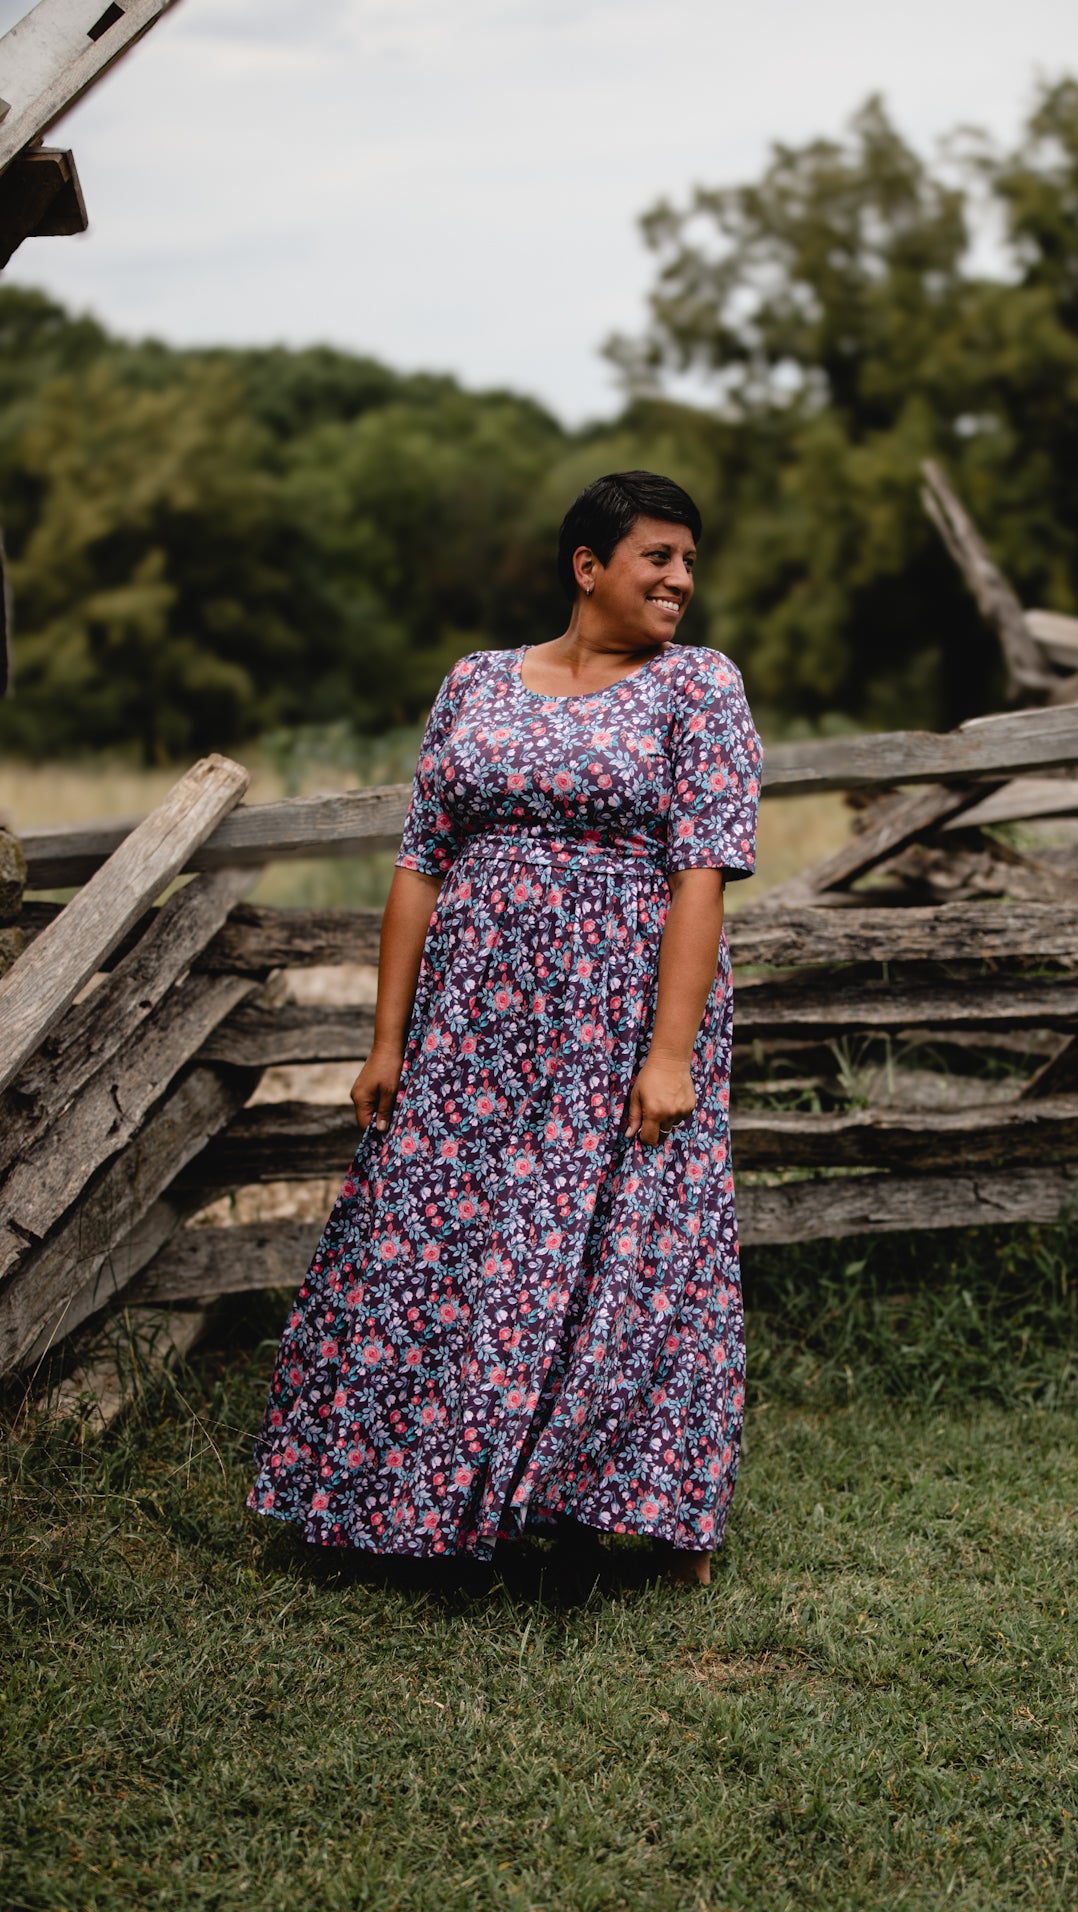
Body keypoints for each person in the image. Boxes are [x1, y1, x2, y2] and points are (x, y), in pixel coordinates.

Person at [248, 471, 763, 1586]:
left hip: (616, 1023)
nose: (682, 579)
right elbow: (420, 862)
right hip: (471, 1030)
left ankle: (618, 1505)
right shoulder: (477, 682)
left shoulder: (699, 687)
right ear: (589, 565)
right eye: (657, 557)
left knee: (629, 1251)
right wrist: (387, 1041)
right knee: (441, 1241)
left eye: (688, 559)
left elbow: (702, 874)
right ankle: (392, 1495)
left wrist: (669, 1053)